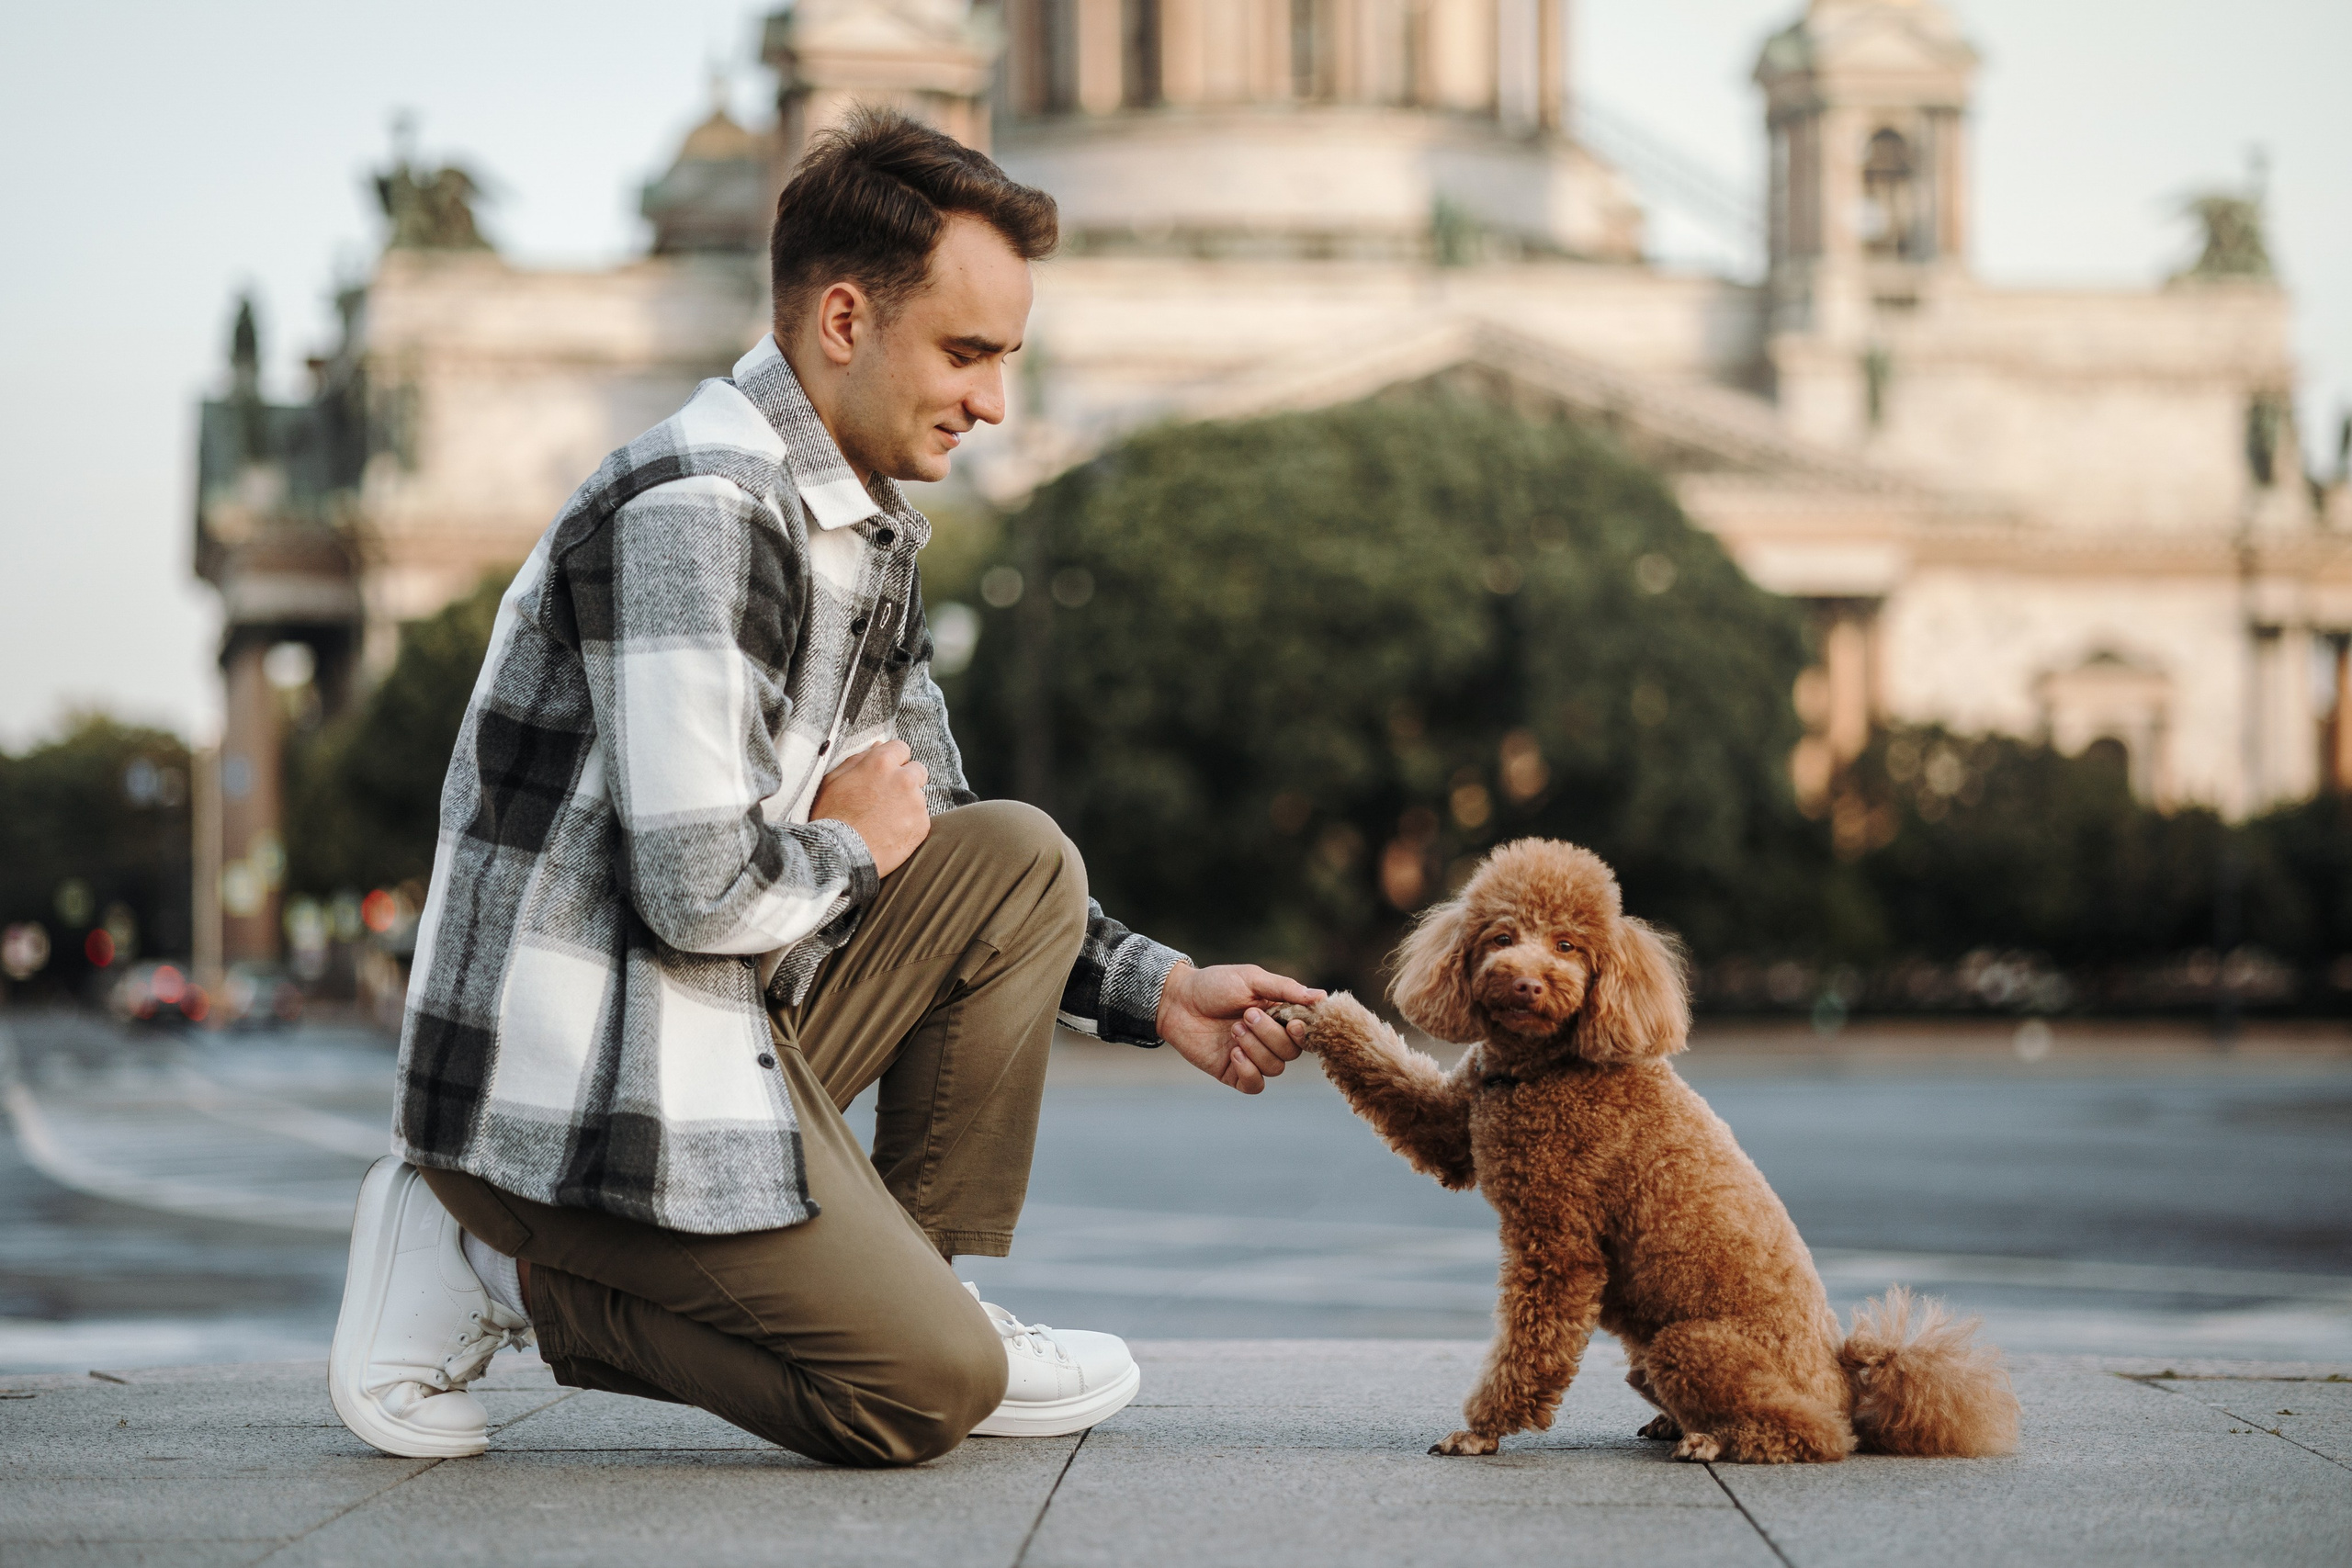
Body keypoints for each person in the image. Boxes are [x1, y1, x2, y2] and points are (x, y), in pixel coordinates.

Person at [327, 107, 1323, 1467]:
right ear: (844, 321)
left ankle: (914, 1288)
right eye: (967, 355)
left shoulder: (856, 522)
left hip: (708, 1029)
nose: (993, 403)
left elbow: (952, 840)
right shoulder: (699, 510)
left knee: (1021, 855)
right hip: (567, 1107)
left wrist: (1157, 990)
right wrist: (853, 848)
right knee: (917, 1395)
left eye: (1006, 360)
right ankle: (489, 1265)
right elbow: (696, 893)